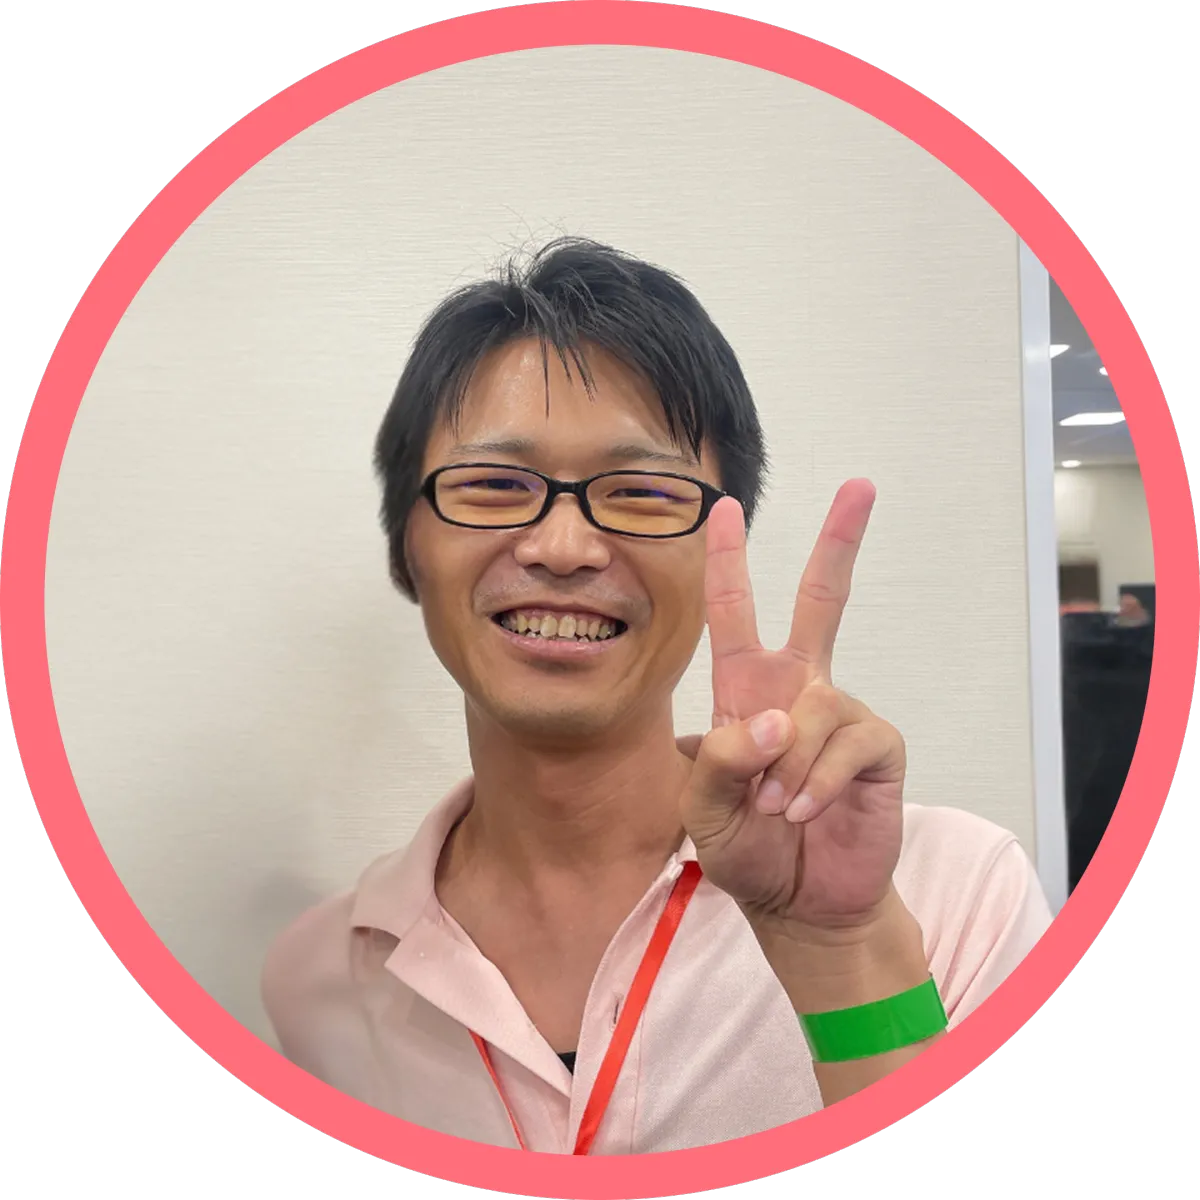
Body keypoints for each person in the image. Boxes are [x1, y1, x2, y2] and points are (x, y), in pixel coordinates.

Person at [262, 238, 1053, 1154]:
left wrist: (841, 952)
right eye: (494, 485)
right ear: (409, 545)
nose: (563, 548)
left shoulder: (950, 890)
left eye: (640, 491)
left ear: (721, 547)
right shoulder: (318, 981)